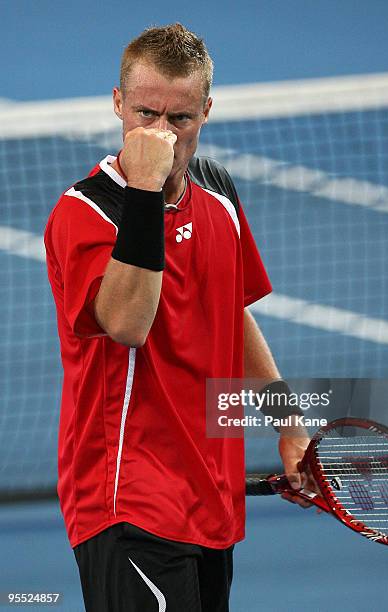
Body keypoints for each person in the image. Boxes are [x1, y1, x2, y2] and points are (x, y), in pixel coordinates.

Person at [44, 23, 311, 612]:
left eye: (180, 119)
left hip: (211, 497)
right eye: (145, 114)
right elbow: (128, 323)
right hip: (126, 499)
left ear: (207, 111)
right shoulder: (85, 214)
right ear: (118, 102)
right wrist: (145, 189)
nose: (161, 133)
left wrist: (289, 426)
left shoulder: (218, 192)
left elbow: (231, 317)